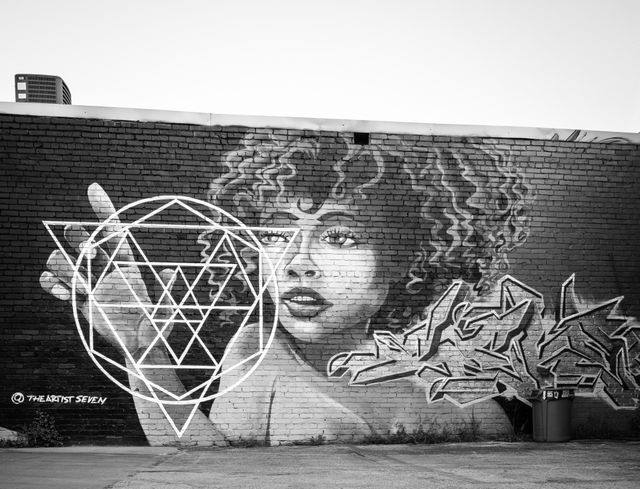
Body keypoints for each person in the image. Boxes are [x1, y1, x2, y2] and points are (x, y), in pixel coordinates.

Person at [40, 133, 531, 445]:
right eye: (276, 233)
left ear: (410, 258)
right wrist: (145, 356)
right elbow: (208, 464)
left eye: (339, 236)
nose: (298, 264)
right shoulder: (262, 353)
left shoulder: (459, 397)